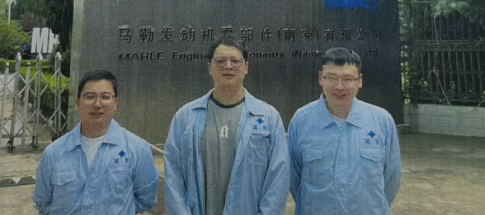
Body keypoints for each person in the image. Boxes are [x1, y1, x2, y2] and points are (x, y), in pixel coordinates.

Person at [164, 35, 289, 215]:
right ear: (210, 68)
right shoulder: (185, 117)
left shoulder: (269, 117)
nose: (228, 66)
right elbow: (173, 178)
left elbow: (278, 180)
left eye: (235, 61)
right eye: (220, 61)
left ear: (246, 67)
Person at [288, 47, 401, 215]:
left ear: (359, 81)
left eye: (347, 79)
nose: (339, 86)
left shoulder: (381, 121)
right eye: (331, 78)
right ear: (320, 78)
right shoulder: (302, 120)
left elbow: (391, 178)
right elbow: (293, 178)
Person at [33, 70, 158, 215]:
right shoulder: (53, 153)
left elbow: (145, 199)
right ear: (78, 103)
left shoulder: (137, 149)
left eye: (105, 97)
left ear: (115, 103)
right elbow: (43, 202)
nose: (97, 104)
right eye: (90, 97)